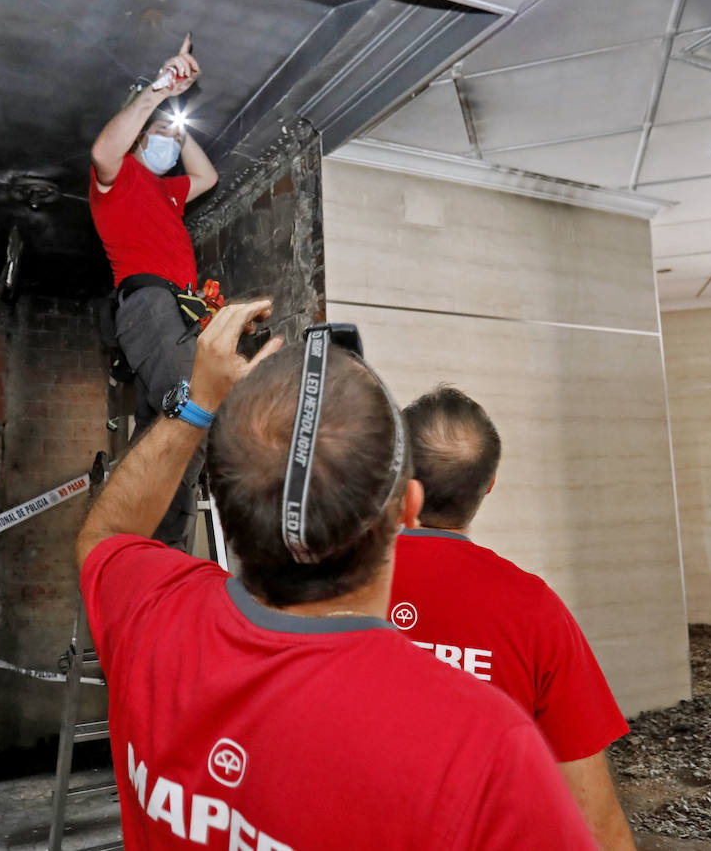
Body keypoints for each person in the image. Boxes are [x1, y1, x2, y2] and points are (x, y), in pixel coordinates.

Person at [75, 302, 596, 849]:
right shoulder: (486, 756)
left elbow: (104, 536)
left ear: (224, 507)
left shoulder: (152, 616)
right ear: (407, 510)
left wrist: (197, 405)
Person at [389, 386, 635, 850]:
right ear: (490, 483)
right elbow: (595, 821)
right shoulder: (534, 610)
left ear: (397, 475)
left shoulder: (334, 582)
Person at [89, 33, 218, 548]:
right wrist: (159, 93)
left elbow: (207, 176)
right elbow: (103, 148)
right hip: (149, 307)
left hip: (173, 316)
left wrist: (179, 130)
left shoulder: (168, 193)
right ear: (139, 135)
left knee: (159, 437)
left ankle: (140, 547)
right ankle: (163, 556)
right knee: (192, 416)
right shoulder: (116, 182)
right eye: (159, 132)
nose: (168, 136)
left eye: (172, 132)